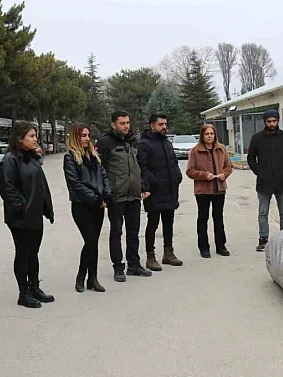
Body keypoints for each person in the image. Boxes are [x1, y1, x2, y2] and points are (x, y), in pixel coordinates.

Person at [0, 121, 55, 308]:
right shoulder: (10, 160)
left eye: (35, 135)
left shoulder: (33, 158)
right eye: (31, 136)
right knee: (23, 253)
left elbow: (41, 185)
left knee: (34, 253)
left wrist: (46, 207)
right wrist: (22, 209)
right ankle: (23, 293)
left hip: (35, 215)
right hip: (21, 218)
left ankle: (34, 287)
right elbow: (8, 189)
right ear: (19, 138)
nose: (35, 139)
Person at [95, 111, 151, 281]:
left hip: (134, 195)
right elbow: (99, 170)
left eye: (128, 123)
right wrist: (104, 194)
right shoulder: (105, 143)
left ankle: (134, 265)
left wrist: (143, 186)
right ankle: (118, 268)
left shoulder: (134, 141)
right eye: (122, 123)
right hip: (116, 196)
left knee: (133, 232)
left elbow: (140, 166)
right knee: (116, 233)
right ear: (113, 125)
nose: (126, 126)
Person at [63, 123, 112, 293]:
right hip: (82, 206)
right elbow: (75, 184)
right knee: (90, 241)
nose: (87, 138)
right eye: (83, 135)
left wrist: (106, 194)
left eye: (88, 135)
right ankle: (81, 276)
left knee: (93, 243)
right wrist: (96, 199)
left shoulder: (93, 155)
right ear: (76, 137)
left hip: (98, 206)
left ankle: (93, 278)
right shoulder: (70, 158)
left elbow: (104, 176)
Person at [137, 113, 184, 270]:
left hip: (170, 189)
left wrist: (178, 176)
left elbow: (174, 162)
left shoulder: (167, 142)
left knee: (169, 223)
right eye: (161, 124)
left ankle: (168, 253)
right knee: (153, 224)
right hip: (155, 192)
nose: (164, 127)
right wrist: (150, 184)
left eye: (165, 124)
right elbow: (142, 167)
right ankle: (150, 257)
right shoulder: (144, 144)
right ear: (152, 125)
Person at [247, 110, 283, 252]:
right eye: (269, 121)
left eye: (274, 121)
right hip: (264, 182)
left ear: (278, 121)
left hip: (282, 181)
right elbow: (251, 158)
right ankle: (263, 239)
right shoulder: (257, 138)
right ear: (265, 122)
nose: (272, 124)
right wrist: (259, 172)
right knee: (263, 213)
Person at [186, 124, 233, 258]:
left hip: (219, 189)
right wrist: (205, 175)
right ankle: (204, 247)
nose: (209, 136)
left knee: (218, 218)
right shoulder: (195, 151)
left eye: (211, 134)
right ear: (202, 135)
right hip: (202, 191)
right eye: (207, 134)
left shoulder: (221, 149)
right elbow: (190, 171)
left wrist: (224, 174)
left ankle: (221, 245)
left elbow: (228, 166)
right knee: (203, 218)